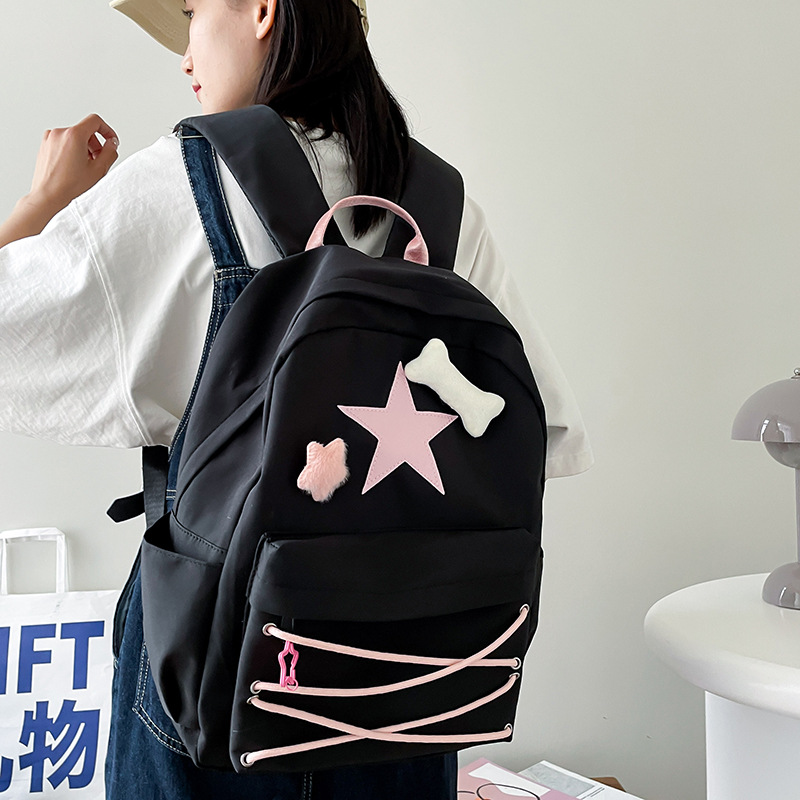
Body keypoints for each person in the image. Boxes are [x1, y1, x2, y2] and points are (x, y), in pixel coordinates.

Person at [0, 0, 593, 797]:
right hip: (403, 686)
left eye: (193, 13)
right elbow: (544, 434)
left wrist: (43, 203)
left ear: (261, 10)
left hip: (215, 678)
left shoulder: (182, 182)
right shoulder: (442, 204)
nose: (185, 54)